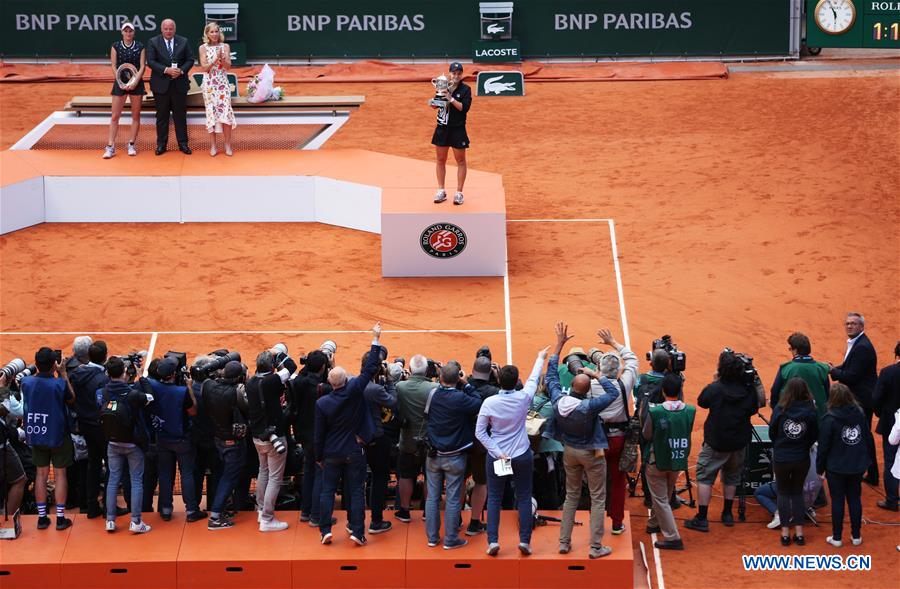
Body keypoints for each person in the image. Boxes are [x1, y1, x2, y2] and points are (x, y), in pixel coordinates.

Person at [544, 322, 620, 559]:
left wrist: (559, 345)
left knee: (571, 496)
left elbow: (552, 376)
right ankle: (596, 547)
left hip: (569, 452)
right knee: (598, 498)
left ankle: (564, 542)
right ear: (587, 390)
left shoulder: (558, 400)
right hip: (590, 454)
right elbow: (613, 393)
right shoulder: (589, 407)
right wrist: (597, 374)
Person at [315, 323, 385, 546]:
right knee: (356, 492)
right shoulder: (355, 390)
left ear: (330, 383)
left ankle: (325, 530)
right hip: (354, 450)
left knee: (327, 491)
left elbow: (319, 434)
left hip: (332, 453)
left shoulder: (322, 403)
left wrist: (319, 456)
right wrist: (375, 338)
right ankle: (357, 531)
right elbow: (370, 368)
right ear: (345, 381)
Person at [475, 344, 548, 557]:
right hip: (522, 455)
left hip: (500, 458)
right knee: (524, 496)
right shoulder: (524, 398)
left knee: (495, 498)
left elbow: (480, 433)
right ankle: (525, 542)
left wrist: (498, 452)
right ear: (516, 382)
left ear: (498, 380)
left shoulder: (489, 402)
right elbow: (534, 379)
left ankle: (492, 542)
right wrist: (540, 357)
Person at [684, 350, 764, 532]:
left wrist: (715, 381)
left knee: (705, 476)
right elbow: (754, 408)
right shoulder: (748, 389)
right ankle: (727, 514)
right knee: (732, 476)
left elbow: (702, 401)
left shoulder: (716, 388)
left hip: (716, 442)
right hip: (738, 442)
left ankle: (702, 518)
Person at [424, 363, 483, 549]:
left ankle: (432, 538)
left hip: (434, 455)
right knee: (452, 498)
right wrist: (465, 384)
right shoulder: (460, 398)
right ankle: (450, 540)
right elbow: (478, 401)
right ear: (457, 378)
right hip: (455, 457)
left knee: (432, 497)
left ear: (440, 378)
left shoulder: (432, 394)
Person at [20, 347, 76, 531]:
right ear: (54, 365)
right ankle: (60, 518)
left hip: (36, 434)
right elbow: (71, 398)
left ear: (36, 364)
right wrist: (63, 373)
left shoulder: (26, 382)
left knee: (41, 475)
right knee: (60, 475)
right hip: (58, 435)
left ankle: (42, 518)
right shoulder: (59, 384)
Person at [99, 356, 153, 533]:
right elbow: (150, 398)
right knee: (136, 480)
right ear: (123, 372)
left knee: (113, 480)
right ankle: (136, 522)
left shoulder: (104, 392)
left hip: (112, 443)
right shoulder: (132, 394)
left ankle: (110, 520)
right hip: (132, 444)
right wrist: (141, 378)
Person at [593, 328, 639, 535]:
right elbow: (632, 359)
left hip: (598, 440)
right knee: (618, 481)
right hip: (619, 440)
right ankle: (617, 523)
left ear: (599, 369)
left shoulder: (592, 385)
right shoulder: (625, 383)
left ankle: (596, 523)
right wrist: (612, 342)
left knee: (596, 483)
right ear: (618, 370)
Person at [148, 358, 206, 523]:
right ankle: (191, 511)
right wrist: (189, 387)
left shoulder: (153, 387)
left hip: (162, 438)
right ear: (173, 374)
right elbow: (193, 411)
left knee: (165, 474)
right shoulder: (181, 391)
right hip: (181, 440)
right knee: (187, 474)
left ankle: (166, 510)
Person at [642, 373, 694, 550]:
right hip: (677, 458)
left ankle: (673, 537)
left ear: (663, 391)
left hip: (657, 460)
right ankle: (654, 522)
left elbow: (646, 434)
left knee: (660, 499)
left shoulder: (655, 411)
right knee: (665, 494)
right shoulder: (690, 411)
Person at [817, 383, 871, 547]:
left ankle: (837, 537)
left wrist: (820, 468)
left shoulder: (829, 418)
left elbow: (823, 446)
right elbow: (867, 438)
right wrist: (867, 462)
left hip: (836, 468)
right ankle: (856, 536)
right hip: (856, 466)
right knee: (855, 499)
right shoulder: (860, 414)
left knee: (838, 501)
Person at [828, 312, 879, 485]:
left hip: (861, 399)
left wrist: (833, 372)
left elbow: (852, 376)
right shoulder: (857, 343)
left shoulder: (862, 347)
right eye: (847, 323)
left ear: (861, 327)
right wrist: (835, 368)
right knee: (862, 434)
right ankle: (870, 472)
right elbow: (850, 366)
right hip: (858, 397)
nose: (849, 326)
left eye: (853, 324)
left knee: (864, 434)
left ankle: (872, 473)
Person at [769, 378, 818, 546]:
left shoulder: (780, 409)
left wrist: (782, 445)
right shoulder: (811, 410)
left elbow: (772, 433)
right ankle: (799, 533)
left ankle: (784, 533)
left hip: (782, 457)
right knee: (797, 493)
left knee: (782, 493)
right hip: (801, 458)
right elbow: (814, 435)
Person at [246, 351, 291, 532]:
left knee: (263, 472)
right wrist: (280, 358)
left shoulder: (249, 382)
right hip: (274, 438)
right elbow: (291, 369)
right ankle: (267, 518)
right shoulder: (272, 381)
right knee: (274, 477)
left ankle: (260, 510)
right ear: (272, 367)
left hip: (258, 437)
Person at [201, 360, 248, 530]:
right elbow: (247, 409)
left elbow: (206, 377)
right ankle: (215, 517)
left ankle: (220, 510)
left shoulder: (208, 386)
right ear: (238, 377)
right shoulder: (236, 392)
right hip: (232, 442)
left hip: (218, 439)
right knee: (229, 478)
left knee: (223, 475)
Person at [288, 350, 331, 525]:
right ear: (323, 368)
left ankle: (306, 511)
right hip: (319, 436)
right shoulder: (323, 388)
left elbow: (302, 375)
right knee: (320, 473)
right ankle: (316, 516)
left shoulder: (298, 382)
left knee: (309, 473)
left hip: (303, 434)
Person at [68, 341, 110, 519]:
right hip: (101, 426)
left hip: (84, 425)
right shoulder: (102, 379)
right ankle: (108, 506)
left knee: (93, 464)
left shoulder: (76, 374)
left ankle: (91, 507)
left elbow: (71, 396)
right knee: (111, 466)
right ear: (105, 356)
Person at [395, 354, 438, 522]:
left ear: (410, 370)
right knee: (430, 477)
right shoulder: (434, 387)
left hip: (407, 441)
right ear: (427, 370)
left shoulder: (400, 386)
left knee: (405, 476)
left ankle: (405, 511)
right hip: (429, 441)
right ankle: (427, 511)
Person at [361, 349, 398, 535]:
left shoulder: (353, 382)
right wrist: (390, 380)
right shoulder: (375, 389)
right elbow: (392, 401)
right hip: (376, 439)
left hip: (356, 440)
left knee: (355, 481)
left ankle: (355, 522)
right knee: (380, 478)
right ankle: (376, 521)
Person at [146, 18, 195, 155]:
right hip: (161, 86)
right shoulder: (153, 42)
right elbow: (150, 61)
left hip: (179, 85)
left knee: (180, 116)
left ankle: (183, 144)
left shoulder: (183, 41)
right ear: (161, 29)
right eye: (166, 29)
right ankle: (161, 145)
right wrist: (166, 70)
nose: (168, 31)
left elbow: (190, 60)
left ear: (174, 29)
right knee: (162, 117)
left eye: (171, 28)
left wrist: (181, 70)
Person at [465, 355, 500, 535]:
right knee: (482, 483)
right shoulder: (494, 392)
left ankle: (455, 519)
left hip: (461, 444)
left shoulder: (463, 385)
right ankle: (474, 523)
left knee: (457, 482)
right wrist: (499, 377)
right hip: (484, 446)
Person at [430, 61, 472, 206]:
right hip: (442, 128)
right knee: (440, 160)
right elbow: (436, 106)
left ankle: (459, 193)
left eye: (459, 73)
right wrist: (435, 101)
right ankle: (441, 190)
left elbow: (463, 108)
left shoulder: (466, 89)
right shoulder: (443, 86)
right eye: (454, 73)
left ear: (461, 74)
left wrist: (451, 98)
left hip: (458, 129)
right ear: (450, 73)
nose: (456, 75)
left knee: (460, 161)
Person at [103, 22, 146, 159]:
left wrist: (134, 82)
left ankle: (131, 144)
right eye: (125, 31)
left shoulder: (140, 46)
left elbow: (142, 67)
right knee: (115, 116)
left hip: (136, 84)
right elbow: (114, 65)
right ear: (122, 32)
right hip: (119, 84)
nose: (128, 33)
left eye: (130, 31)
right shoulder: (115, 46)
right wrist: (120, 81)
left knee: (135, 116)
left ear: (134, 32)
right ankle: (110, 146)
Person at [771, 332, 830, 421]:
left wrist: (776, 412)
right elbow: (827, 395)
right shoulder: (822, 368)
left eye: (791, 348)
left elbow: (774, 392)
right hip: (817, 421)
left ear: (795, 350)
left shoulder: (785, 368)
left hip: (789, 421)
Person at [197, 22, 236, 157]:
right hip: (209, 85)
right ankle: (213, 146)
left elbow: (228, 67)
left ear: (220, 33)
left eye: (216, 31)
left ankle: (227, 145)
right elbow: (204, 68)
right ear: (207, 34)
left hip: (222, 84)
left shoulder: (225, 46)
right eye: (211, 32)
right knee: (211, 114)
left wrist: (223, 60)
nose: (214, 34)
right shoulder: (203, 48)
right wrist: (215, 59)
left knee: (226, 113)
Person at [873, 341, 900, 511]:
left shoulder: (888, 372)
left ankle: (892, 500)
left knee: (890, 460)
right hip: (892, 420)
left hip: (891, 422)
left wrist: (880, 413)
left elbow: (876, 399)